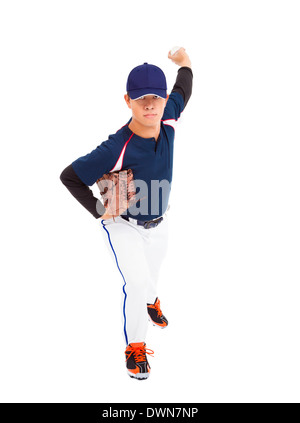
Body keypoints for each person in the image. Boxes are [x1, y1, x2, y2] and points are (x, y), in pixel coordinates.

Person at [60, 47, 193, 380]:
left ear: (163, 100)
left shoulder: (169, 114)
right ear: (127, 100)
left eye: (155, 97)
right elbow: (71, 176)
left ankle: (152, 301)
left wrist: (185, 63)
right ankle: (135, 347)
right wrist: (98, 209)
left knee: (152, 274)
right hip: (124, 224)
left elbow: (184, 88)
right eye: (140, 98)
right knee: (135, 280)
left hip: (159, 220)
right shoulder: (115, 146)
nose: (149, 104)